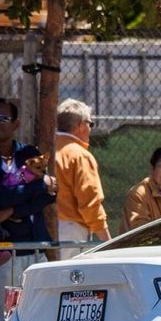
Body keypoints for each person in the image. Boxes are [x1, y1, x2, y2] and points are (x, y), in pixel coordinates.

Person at [0, 97, 56, 321]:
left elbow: (49, 196)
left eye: (3, 118)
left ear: (15, 123)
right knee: (5, 320)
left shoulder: (29, 153)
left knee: (40, 317)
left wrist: (10, 211)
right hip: (3, 254)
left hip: (36, 247)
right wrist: (38, 185)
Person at [54, 99, 109, 259]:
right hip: (72, 231)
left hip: (42, 228)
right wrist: (107, 240)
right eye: (90, 124)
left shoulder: (44, 150)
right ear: (81, 125)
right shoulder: (79, 155)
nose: (90, 129)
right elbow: (90, 203)